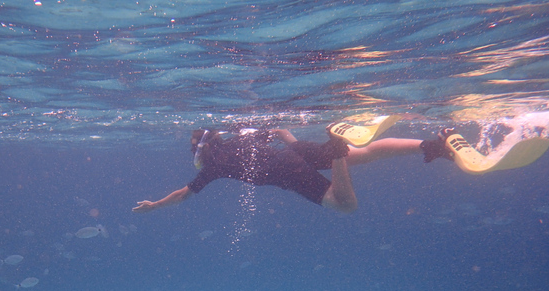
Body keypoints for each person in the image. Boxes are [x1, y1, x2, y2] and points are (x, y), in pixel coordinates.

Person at [132, 126, 454, 214]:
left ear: (202, 150)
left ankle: (337, 148)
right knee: (367, 153)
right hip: (294, 151)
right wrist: (293, 140)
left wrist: (156, 204)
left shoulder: (215, 165)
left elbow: (184, 194)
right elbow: (276, 130)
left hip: (288, 171)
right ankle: (434, 145)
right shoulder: (240, 137)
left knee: (347, 206)